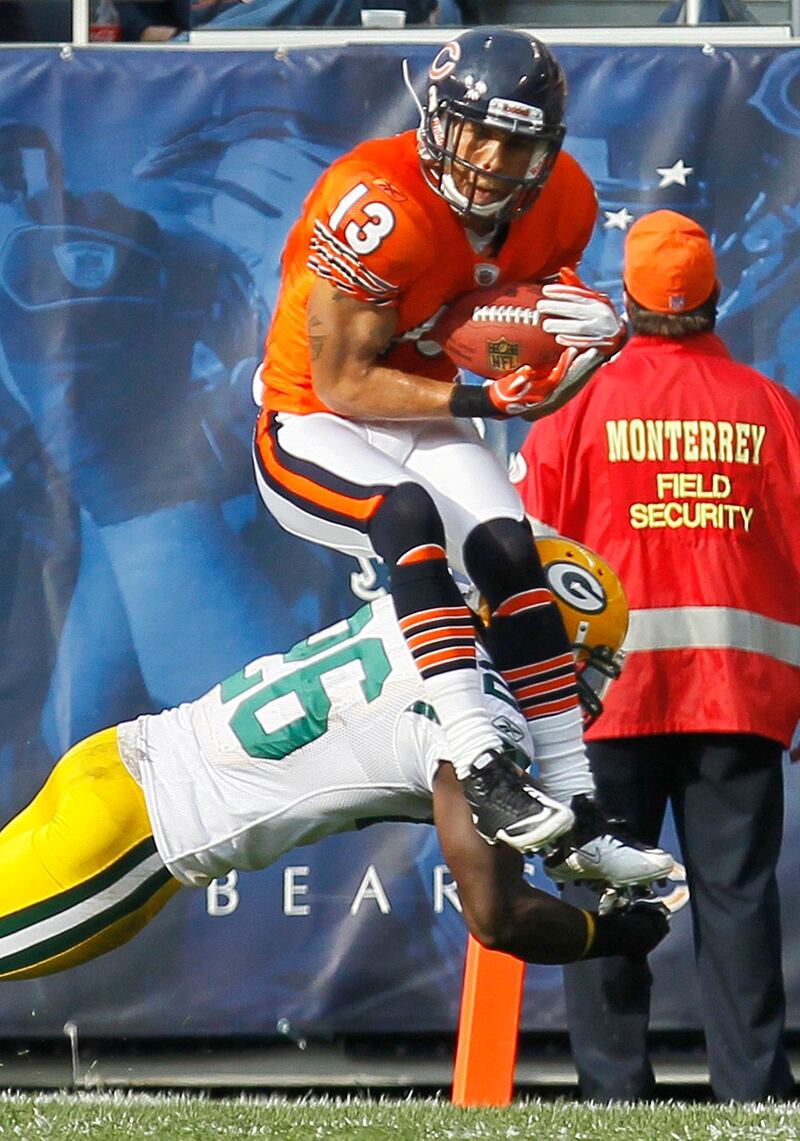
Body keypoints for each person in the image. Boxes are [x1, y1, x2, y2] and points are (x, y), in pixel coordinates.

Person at [252, 26, 629, 860]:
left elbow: (509, 331)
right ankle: (481, 754)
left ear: (549, 147)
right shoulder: (376, 204)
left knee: (509, 547)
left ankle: (574, 798)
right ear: (435, 118)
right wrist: (481, 396)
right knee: (406, 513)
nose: (495, 159)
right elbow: (345, 381)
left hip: (424, 407)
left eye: (518, 141)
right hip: (314, 417)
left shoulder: (562, 197)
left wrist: (601, 333)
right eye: (479, 132)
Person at [0, 594, 670, 981]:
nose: (575, 692)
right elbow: (496, 917)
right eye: (575, 664)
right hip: (137, 837)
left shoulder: (421, 615)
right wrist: (609, 936)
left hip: (113, 761)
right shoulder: (480, 723)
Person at [516, 209, 800, 1102]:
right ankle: (754, 1094)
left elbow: (526, 552)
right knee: (740, 902)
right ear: (715, 296)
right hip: (738, 706)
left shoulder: (576, 408)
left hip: (604, 708)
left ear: (626, 302)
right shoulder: (772, 410)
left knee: (605, 903)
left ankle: (613, 1097)